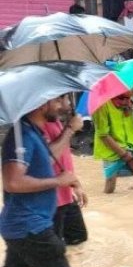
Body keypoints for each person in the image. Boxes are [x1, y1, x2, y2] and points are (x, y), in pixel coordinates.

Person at [0, 98, 80, 267]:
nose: (62, 106)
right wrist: (57, 181)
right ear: (41, 105)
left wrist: (66, 179)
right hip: (31, 229)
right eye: (56, 101)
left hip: (20, 227)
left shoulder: (31, 130)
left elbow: (44, 159)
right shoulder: (21, 136)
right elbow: (13, 182)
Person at [43, 95, 88, 246]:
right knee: (54, 251)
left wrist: (75, 184)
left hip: (65, 193)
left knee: (78, 238)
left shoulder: (55, 121)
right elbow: (47, 160)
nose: (69, 103)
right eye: (65, 99)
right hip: (51, 200)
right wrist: (70, 129)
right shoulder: (38, 126)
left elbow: (63, 159)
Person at [92, 90, 133, 193]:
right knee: (110, 186)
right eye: (121, 98)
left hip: (130, 144)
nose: (125, 101)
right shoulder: (101, 106)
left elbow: (128, 119)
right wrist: (123, 153)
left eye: (128, 98)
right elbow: (104, 135)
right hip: (111, 148)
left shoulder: (128, 100)